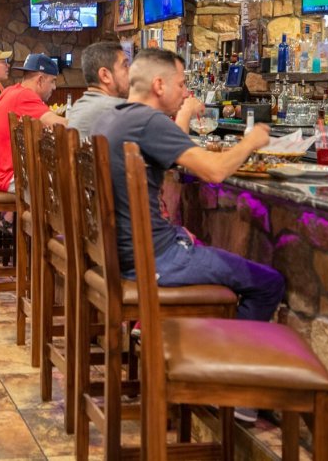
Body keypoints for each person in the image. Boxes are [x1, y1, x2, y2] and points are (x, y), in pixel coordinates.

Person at [90, 47, 284, 325]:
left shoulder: (112, 117)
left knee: (192, 237)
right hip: (150, 259)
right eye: (181, 84)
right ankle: (218, 362)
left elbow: (169, 154)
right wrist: (251, 141)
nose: (185, 93)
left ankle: (187, 345)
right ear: (159, 85)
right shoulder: (149, 120)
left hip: (121, 252)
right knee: (269, 284)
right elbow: (215, 172)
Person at [0, 53, 67, 195]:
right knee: (67, 179)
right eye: (53, 81)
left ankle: (10, 217)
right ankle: (40, 218)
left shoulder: (10, 91)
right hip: (7, 176)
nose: (54, 87)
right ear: (40, 80)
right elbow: (61, 126)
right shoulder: (25, 96)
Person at [67, 41, 131, 138]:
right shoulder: (117, 109)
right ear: (105, 75)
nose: (131, 71)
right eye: (125, 66)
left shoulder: (79, 105)